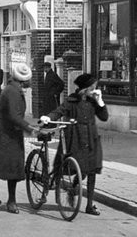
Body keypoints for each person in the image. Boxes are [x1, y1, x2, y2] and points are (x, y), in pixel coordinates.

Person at [40, 73, 109, 216]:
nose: (94, 90)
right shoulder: (71, 100)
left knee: (91, 171)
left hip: (91, 139)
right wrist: (48, 117)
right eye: (92, 88)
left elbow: (104, 117)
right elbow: (59, 111)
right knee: (75, 168)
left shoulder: (93, 101)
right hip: (74, 139)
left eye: (95, 88)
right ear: (85, 89)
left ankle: (89, 205)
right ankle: (65, 186)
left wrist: (100, 101)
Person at [0, 63, 39, 214]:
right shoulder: (12, 91)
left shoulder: (13, 89)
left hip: (4, 131)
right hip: (7, 134)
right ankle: (11, 201)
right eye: (28, 79)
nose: (30, 82)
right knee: (11, 167)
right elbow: (14, 115)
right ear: (23, 80)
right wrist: (29, 128)